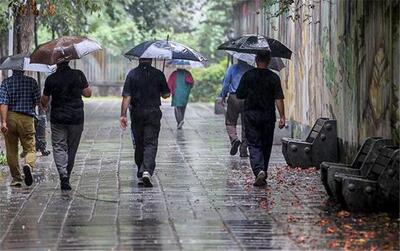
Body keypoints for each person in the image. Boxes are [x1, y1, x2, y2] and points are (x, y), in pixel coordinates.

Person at [41, 61, 92, 190]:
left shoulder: (51, 79)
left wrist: (45, 104)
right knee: (71, 149)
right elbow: (88, 93)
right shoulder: (78, 75)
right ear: (69, 61)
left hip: (58, 118)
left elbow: (45, 100)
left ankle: (63, 175)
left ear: (56, 63)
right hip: (76, 118)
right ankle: (67, 175)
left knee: (58, 146)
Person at [237, 51, 286, 186]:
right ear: (269, 61)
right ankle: (263, 170)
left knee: (253, 144)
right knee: (266, 145)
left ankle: (259, 170)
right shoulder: (274, 77)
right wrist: (282, 116)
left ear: (256, 59)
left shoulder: (248, 75)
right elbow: (279, 98)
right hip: (268, 116)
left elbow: (240, 94)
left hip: (251, 115)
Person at [120, 58, 170, 187]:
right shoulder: (158, 74)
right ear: (151, 60)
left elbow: (127, 96)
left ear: (139, 59)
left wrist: (123, 115)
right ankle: (146, 171)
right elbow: (166, 95)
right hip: (153, 112)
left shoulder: (132, 74)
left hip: (137, 112)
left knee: (139, 142)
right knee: (151, 142)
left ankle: (141, 171)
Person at [0, 70, 40, 187]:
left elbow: (3, 103)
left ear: (12, 69)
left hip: (10, 117)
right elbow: (37, 100)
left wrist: (3, 122)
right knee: (30, 147)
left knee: (11, 149)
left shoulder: (6, 82)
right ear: (23, 70)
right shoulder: (32, 82)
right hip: (27, 118)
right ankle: (28, 164)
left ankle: (16, 178)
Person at [220, 59, 253, 157]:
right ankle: (243, 150)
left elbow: (226, 83)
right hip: (248, 98)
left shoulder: (232, 68)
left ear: (238, 58)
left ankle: (234, 139)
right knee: (246, 124)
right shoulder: (251, 70)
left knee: (230, 122)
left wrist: (223, 96)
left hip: (234, 97)